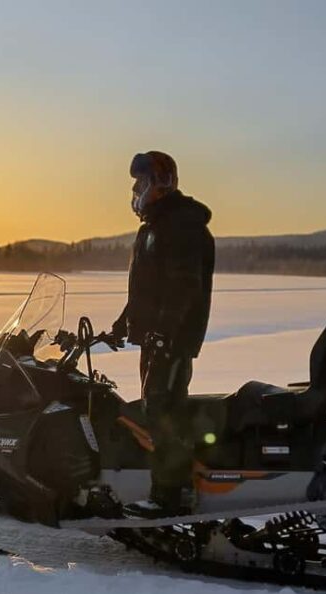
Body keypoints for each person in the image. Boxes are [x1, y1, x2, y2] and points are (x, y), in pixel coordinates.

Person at [111, 151, 215, 517]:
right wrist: (123, 324)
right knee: (156, 408)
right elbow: (147, 290)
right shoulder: (156, 227)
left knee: (164, 411)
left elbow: (184, 287)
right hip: (158, 337)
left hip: (173, 339)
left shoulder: (181, 225)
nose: (136, 190)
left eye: (141, 183)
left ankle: (170, 496)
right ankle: (170, 487)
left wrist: (164, 333)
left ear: (159, 182)